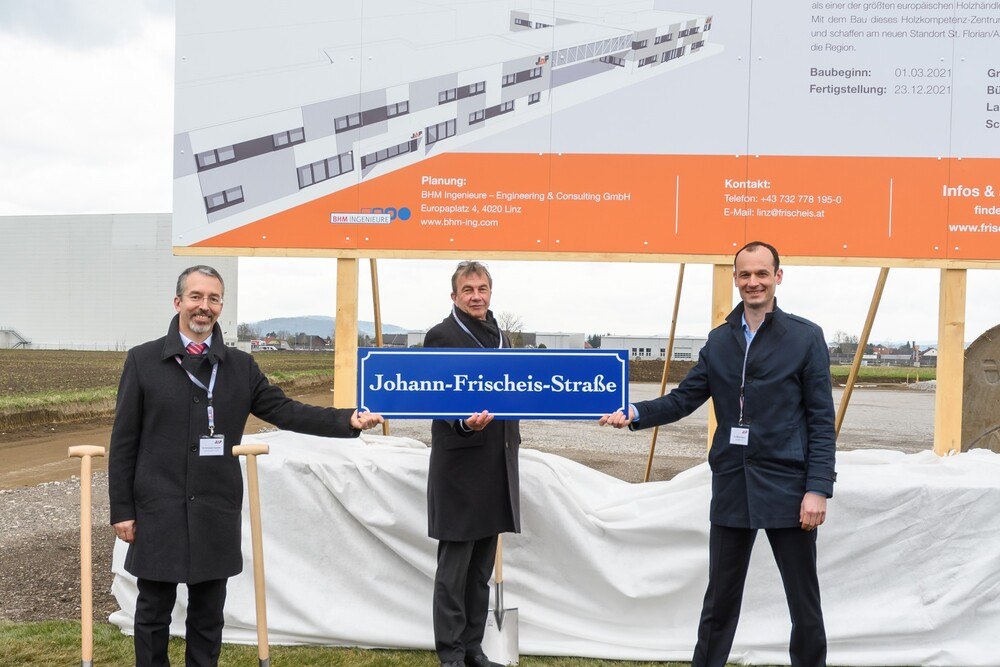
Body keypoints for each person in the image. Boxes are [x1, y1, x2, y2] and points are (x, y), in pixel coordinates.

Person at [108, 265, 383, 667]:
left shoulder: (239, 366)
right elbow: (124, 441)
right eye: (196, 297)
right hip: (158, 508)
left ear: (221, 306)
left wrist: (347, 420)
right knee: (152, 612)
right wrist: (123, 510)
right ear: (178, 301)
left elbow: (285, 411)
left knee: (207, 614)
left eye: (214, 299)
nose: (205, 307)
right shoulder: (143, 360)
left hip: (213, 507)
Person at [601, 241, 836, 667]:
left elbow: (821, 421)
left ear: (777, 277)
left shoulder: (806, 338)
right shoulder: (719, 340)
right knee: (719, 602)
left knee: (804, 604)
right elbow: (682, 399)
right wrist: (634, 412)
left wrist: (817, 488)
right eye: (745, 275)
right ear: (736, 279)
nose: (753, 282)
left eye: (762, 274)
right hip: (732, 485)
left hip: (789, 488)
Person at [423, 261, 521, 667]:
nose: (476, 296)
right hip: (460, 467)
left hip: (497, 465)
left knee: (481, 568)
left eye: (482, 288)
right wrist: (461, 421)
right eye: (468, 290)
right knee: (454, 570)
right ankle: (450, 654)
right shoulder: (440, 336)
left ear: (490, 292)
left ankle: (473, 648)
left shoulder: (503, 337)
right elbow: (431, 393)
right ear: (454, 296)